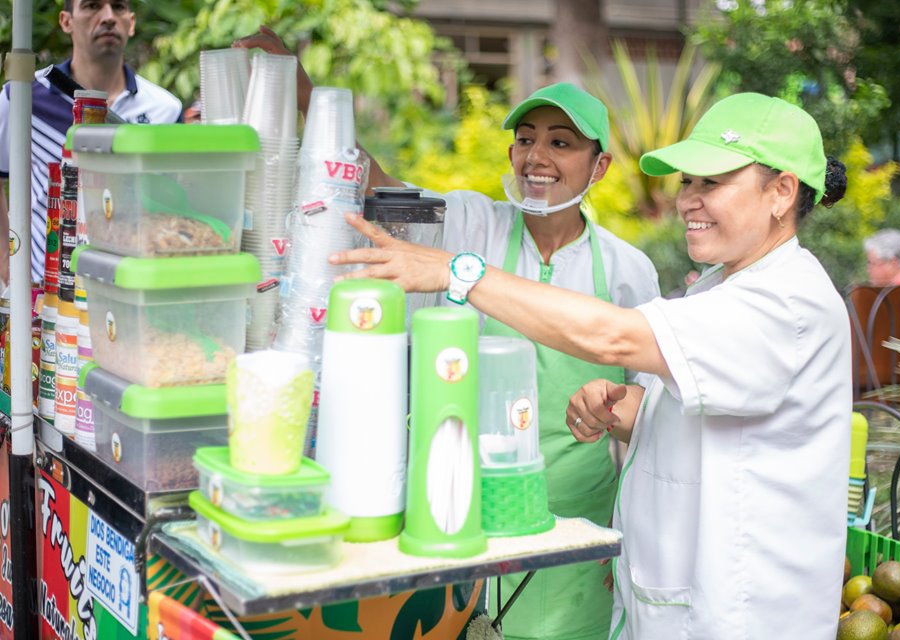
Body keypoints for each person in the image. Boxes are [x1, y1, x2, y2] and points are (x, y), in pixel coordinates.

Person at [331, 92, 852, 640]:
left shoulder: (784, 303)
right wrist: (625, 405)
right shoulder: (720, 288)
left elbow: (613, 335)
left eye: (713, 182)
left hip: (738, 615)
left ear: (781, 192)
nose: (689, 201)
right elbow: (715, 416)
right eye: (686, 183)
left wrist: (460, 273)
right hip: (670, 599)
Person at [234, 30, 661, 640]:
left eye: (560, 143)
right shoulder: (469, 220)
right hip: (464, 519)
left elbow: (648, 411)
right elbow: (376, 188)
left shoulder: (628, 271)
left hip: (580, 535)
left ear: (600, 167)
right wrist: (305, 92)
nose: (536, 157)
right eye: (525, 141)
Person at [0, 0, 183, 285]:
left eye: (119, 7)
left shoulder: (165, 109)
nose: (108, 17)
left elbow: (178, 201)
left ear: (131, 23)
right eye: (93, 6)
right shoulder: (22, 98)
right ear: (66, 21)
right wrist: (5, 258)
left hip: (130, 286)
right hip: (44, 290)